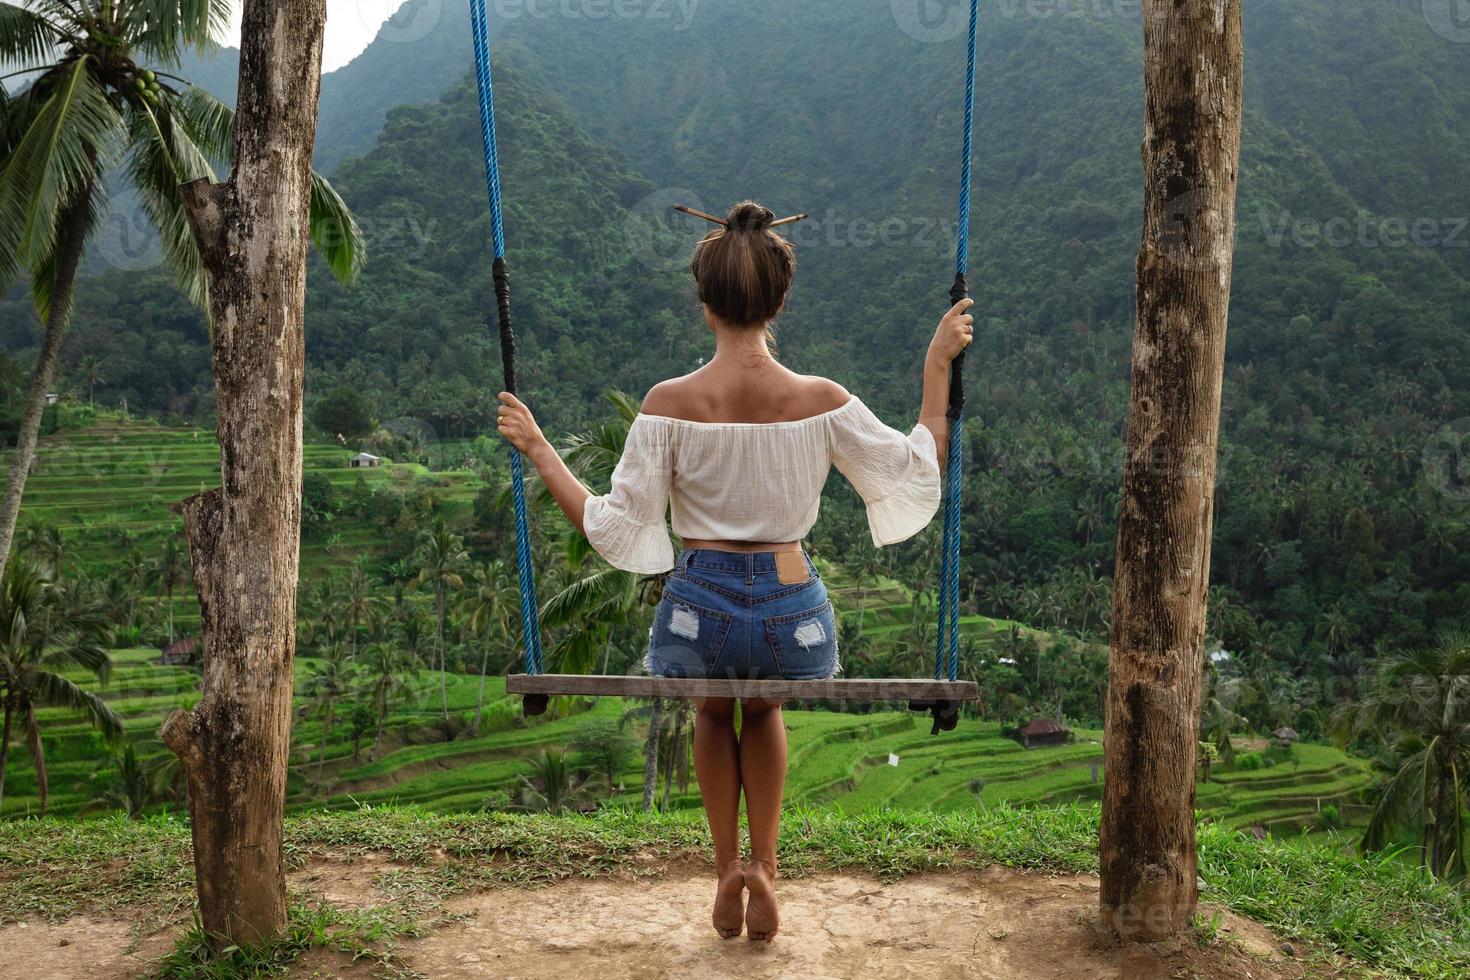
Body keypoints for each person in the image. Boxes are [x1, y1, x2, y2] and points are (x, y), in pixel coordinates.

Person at [496, 200, 973, 941]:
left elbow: (617, 523)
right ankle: (767, 868)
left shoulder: (667, 405)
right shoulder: (823, 402)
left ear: (704, 304)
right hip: (794, 617)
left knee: (713, 710)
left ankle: (726, 869)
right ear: (779, 301)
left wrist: (537, 447)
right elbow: (917, 466)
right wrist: (936, 365)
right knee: (768, 708)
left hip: (699, 614)